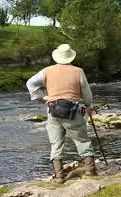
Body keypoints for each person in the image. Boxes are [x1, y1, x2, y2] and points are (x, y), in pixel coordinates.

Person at [26, 44, 96, 184]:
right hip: (74, 111)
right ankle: (90, 171)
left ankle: (59, 177)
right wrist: (89, 106)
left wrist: (44, 98)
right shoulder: (78, 71)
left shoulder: (46, 71)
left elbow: (30, 84)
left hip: (53, 111)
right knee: (82, 140)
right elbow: (86, 93)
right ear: (71, 57)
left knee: (56, 143)